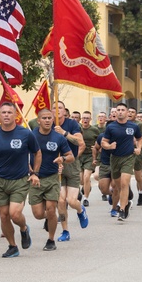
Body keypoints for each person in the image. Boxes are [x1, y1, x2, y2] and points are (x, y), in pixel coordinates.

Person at [0, 101, 40, 258]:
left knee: (14, 214)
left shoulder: (26, 134)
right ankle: (12, 246)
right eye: (3, 112)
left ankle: (23, 228)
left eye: (9, 112)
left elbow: (37, 152)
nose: (6, 115)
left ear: (15, 115)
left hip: (19, 180)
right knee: (3, 215)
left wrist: (35, 173)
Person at [31, 108, 73, 250]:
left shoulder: (58, 137)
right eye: (44, 118)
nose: (47, 120)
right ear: (38, 120)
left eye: (50, 118)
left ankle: (51, 240)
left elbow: (71, 156)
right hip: (35, 178)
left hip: (52, 178)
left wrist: (63, 158)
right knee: (37, 214)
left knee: (51, 209)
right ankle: (50, 219)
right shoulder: (31, 136)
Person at [100, 103, 142, 221]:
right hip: (114, 158)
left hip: (128, 158)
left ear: (127, 112)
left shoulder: (133, 126)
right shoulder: (111, 127)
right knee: (118, 186)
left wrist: (139, 148)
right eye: (118, 110)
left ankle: (122, 209)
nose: (120, 112)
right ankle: (127, 202)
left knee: (124, 183)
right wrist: (109, 146)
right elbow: (103, 142)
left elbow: (140, 138)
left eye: (122, 110)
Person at [53, 101, 87, 242]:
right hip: (56, 164)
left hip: (71, 163)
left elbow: (79, 141)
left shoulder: (72, 124)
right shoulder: (48, 124)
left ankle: (81, 210)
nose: (57, 110)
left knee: (72, 201)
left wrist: (64, 133)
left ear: (64, 111)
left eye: (59, 108)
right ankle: (65, 231)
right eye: (54, 108)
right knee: (60, 201)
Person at [79, 111, 101, 207]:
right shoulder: (77, 129)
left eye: (87, 118)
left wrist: (97, 150)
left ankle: (85, 198)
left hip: (89, 156)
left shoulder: (95, 130)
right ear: (81, 119)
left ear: (90, 119)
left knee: (86, 176)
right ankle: (87, 186)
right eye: (84, 118)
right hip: (79, 155)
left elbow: (100, 141)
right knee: (81, 180)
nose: (85, 120)